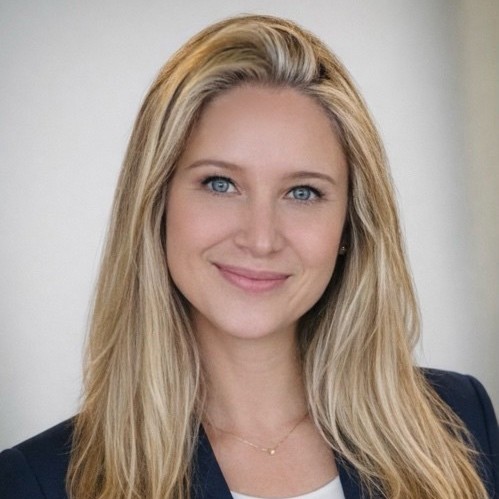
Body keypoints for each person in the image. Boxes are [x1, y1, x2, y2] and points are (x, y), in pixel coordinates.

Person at [0, 14, 497, 499]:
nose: (261, 239)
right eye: (220, 184)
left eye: (302, 192)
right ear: (156, 204)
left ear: (350, 224)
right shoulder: (37, 482)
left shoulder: (460, 422)